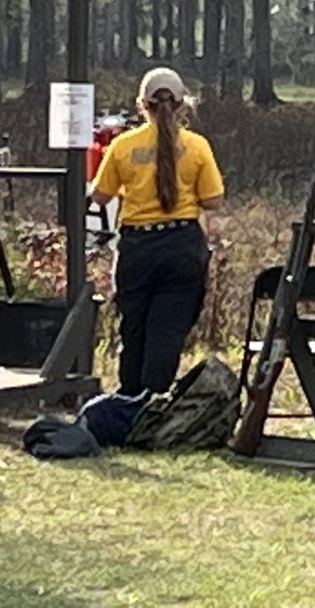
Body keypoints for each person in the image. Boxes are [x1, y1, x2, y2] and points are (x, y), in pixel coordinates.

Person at [89, 66, 225, 397]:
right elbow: (213, 200)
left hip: (137, 245)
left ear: (142, 104)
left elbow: (99, 196)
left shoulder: (122, 146)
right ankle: (155, 399)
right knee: (168, 328)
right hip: (182, 246)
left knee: (133, 328)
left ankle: (129, 400)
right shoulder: (197, 146)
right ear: (182, 104)